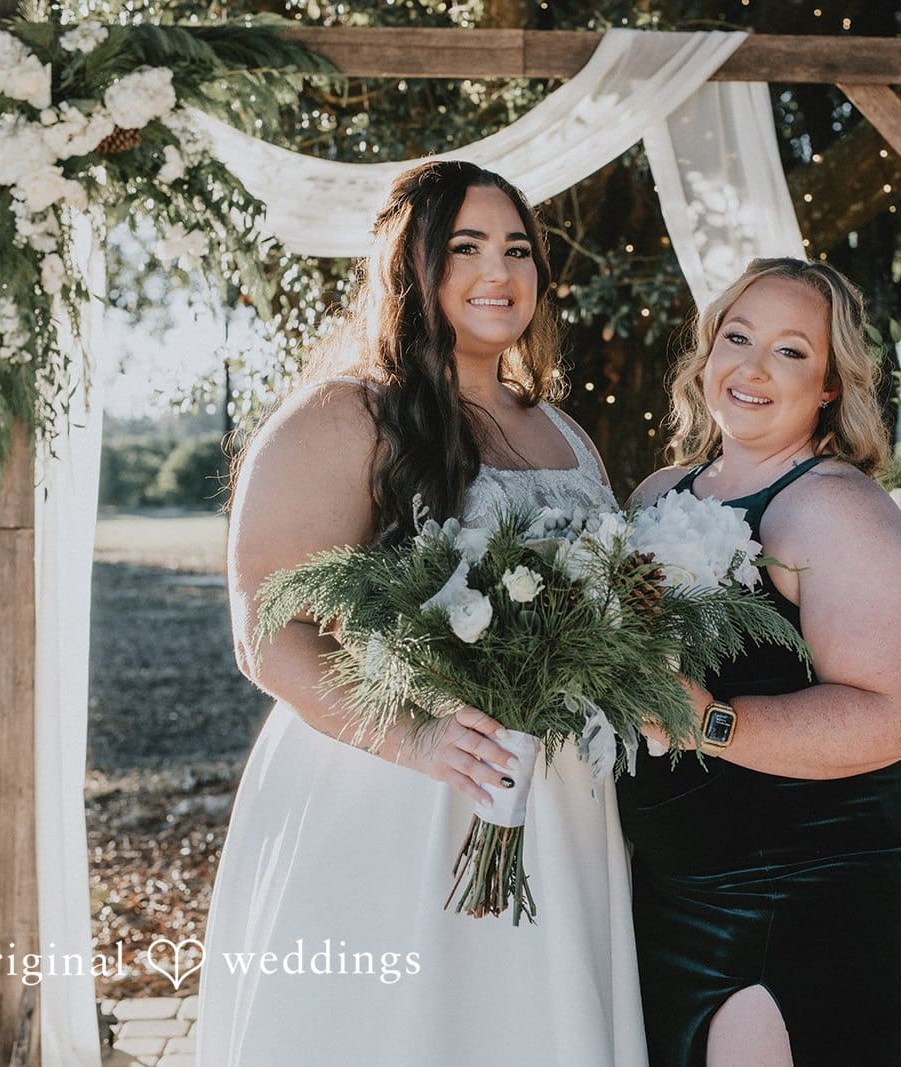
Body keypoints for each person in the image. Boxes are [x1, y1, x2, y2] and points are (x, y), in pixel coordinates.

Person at [197, 160, 648, 1066]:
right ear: (410, 265)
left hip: (555, 805)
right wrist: (417, 738)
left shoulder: (563, 433)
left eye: (518, 249)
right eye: (467, 247)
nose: (500, 272)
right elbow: (265, 627)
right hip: (394, 791)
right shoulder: (344, 416)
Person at [615, 258, 901, 1067]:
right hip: (678, 889)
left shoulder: (833, 508)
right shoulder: (658, 493)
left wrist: (709, 721)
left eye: (792, 351)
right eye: (738, 337)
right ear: (706, 354)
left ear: (831, 384)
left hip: (823, 883)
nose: (754, 367)